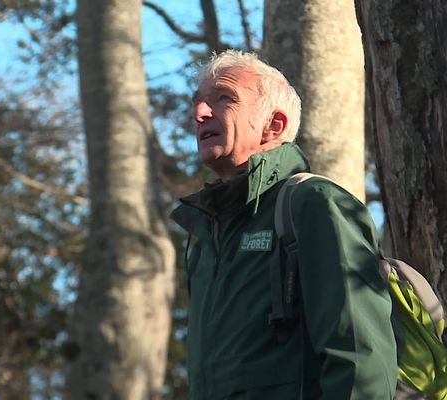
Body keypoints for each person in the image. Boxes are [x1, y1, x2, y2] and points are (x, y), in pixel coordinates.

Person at [170, 50, 398, 399]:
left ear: (274, 125)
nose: (199, 113)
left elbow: (359, 353)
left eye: (224, 99)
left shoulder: (315, 203)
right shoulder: (204, 234)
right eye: (197, 103)